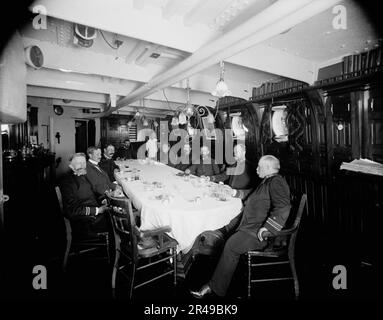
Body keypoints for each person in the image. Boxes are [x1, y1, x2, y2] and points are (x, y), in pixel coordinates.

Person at [190, 155, 291, 299]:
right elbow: (251, 193)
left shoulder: (276, 182)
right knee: (226, 229)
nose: (256, 169)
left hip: (260, 232)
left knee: (231, 245)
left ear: (268, 168)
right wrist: (234, 192)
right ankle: (220, 272)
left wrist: (268, 228)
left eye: (259, 167)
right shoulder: (268, 180)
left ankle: (215, 288)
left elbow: (284, 206)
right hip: (251, 225)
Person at [59, 153, 109, 236]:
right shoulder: (67, 182)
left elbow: (93, 194)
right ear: (71, 166)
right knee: (117, 223)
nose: (82, 166)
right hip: (85, 222)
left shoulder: (83, 176)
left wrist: (103, 200)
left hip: (94, 214)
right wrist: (98, 210)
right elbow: (72, 210)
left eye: (83, 163)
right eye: (79, 163)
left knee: (118, 215)